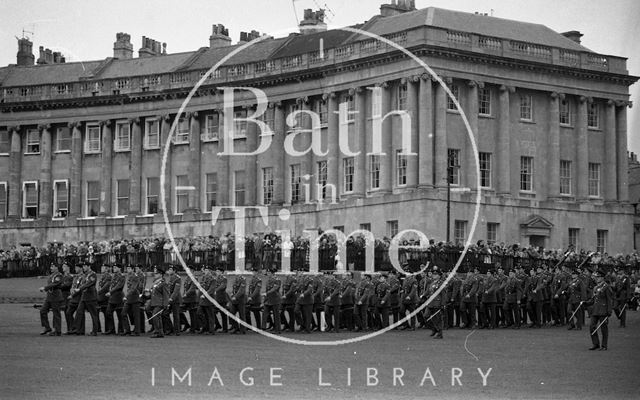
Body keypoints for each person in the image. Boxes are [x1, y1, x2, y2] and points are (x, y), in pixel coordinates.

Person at [584, 269, 613, 350]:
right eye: (596, 277)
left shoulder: (606, 287)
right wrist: (585, 303)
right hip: (595, 310)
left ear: (602, 278)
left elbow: (609, 300)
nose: (597, 278)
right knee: (592, 327)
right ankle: (595, 343)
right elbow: (593, 300)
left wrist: (609, 311)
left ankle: (604, 345)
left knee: (604, 329)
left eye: (598, 277)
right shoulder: (595, 287)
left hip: (603, 310)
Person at [72, 263, 100, 336]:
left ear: (89, 266)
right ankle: (78, 329)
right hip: (84, 296)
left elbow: (89, 283)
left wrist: (80, 289)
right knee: (79, 312)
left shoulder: (92, 274)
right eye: (83, 266)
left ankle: (95, 331)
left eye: (85, 266)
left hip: (91, 297)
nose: (83, 268)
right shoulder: (85, 275)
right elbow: (82, 283)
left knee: (93, 314)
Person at [39, 264, 63, 336]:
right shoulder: (52, 275)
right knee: (43, 310)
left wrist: (45, 288)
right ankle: (47, 327)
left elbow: (55, 284)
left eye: (52, 267)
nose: (51, 268)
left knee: (56, 314)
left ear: (57, 267)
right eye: (51, 266)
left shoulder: (59, 275)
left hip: (56, 297)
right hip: (49, 296)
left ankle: (57, 330)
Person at [425, 267, 447, 339]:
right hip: (430, 303)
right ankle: (434, 329)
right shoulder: (431, 283)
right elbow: (428, 292)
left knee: (437, 319)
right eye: (433, 274)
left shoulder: (441, 283)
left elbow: (443, 295)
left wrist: (443, 304)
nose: (434, 275)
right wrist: (423, 296)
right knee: (426, 316)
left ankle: (440, 334)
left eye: (435, 274)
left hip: (437, 303)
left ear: (439, 275)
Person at [149, 266, 170, 338]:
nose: (155, 275)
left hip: (160, 302)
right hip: (155, 302)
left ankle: (158, 331)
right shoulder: (156, 282)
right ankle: (160, 332)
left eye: (156, 274)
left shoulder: (163, 283)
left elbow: (166, 294)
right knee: (157, 317)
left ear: (161, 274)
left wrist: (165, 304)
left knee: (155, 316)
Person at [121, 265, 141, 336]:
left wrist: (126, 296)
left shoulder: (135, 276)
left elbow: (133, 288)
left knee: (136, 316)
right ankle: (127, 330)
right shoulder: (129, 276)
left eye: (129, 268)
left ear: (133, 269)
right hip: (129, 298)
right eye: (127, 268)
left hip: (134, 298)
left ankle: (137, 331)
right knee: (123, 313)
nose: (127, 269)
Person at [65, 265, 84, 335]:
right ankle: (73, 328)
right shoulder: (75, 277)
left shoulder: (83, 277)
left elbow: (80, 288)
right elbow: (73, 286)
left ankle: (80, 330)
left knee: (80, 314)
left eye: (77, 268)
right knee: (68, 312)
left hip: (79, 297)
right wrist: (71, 291)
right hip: (73, 298)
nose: (75, 269)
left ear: (80, 268)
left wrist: (72, 294)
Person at [164, 265, 182, 335]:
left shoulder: (177, 278)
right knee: (165, 313)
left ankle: (177, 331)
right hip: (169, 298)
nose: (169, 271)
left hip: (175, 299)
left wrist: (171, 298)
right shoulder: (170, 277)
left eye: (171, 269)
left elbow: (176, 290)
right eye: (169, 269)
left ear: (174, 271)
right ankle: (170, 328)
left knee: (175, 315)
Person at [263, 268, 282, 333]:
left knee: (276, 315)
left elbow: (274, 288)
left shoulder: (277, 280)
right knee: (265, 313)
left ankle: (278, 329)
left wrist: (267, 293)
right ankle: (263, 328)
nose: (268, 274)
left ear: (272, 273)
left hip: (275, 299)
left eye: (269, 273)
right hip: (268, 300)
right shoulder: (268, 280)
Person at [96, 264, 112, 334]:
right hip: (100, 297)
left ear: (106, 269)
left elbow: (106, 286)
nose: (101, 269)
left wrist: (99, 292)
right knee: (96, 312)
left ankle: (107, 329)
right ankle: (98, 328)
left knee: (106, 313)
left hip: (105, 297)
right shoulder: (103, 276)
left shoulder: (108, 276)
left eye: (103, 267)